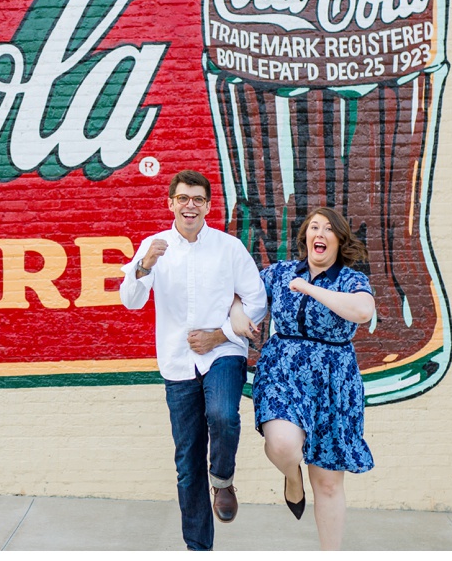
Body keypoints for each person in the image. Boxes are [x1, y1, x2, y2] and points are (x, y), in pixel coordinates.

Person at [119, 169, 267, 552]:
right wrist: (143, 266)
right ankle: (198, 549)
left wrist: (219, 335)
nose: (190, 205)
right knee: (187, 464)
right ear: (171, 203)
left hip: (223, 353)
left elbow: (257, 300)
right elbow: (131, 300)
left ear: (207, 205)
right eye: (183, 198)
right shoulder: (154, 245)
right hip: (176, 362)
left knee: (222, 415)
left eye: (197, 199)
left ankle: (222, 479)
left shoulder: (228, 247)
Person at [235, 206, 375, 551]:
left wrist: (311, 289)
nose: (320, 234)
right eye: (314, 227)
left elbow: (362, 310)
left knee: (327, 483)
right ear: (306, 238)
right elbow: (241, 292)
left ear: (339, 241)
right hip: (284, 369)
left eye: (329, 229)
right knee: (282, 444)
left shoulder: (351, 280)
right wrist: (237, 313)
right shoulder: (281, 272)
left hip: (333, 381)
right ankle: (291, 476)